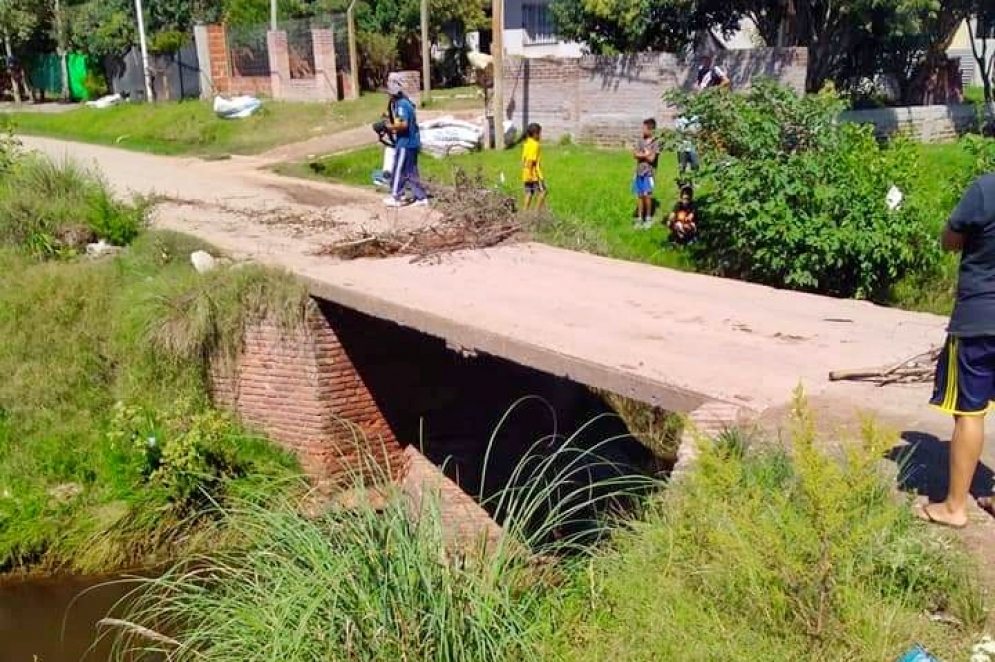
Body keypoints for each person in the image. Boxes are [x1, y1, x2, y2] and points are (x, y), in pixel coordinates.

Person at [918, 173, 995, 529]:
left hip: (980, 320)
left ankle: (954, 508)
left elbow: (949, 240)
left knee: (970, 412)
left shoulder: (985, 189)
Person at [384, 72, 429, 208]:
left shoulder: (402, 105)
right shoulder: (403, 102)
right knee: (411, 171)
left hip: (406, 143)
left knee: (399, 169)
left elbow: (402, 124)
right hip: (412, 142)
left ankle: (396, 196)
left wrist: (388, 127)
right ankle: (421, 197)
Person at [632, 118, 660, 229]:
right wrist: (645, 154)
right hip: (639, 172)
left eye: (644, 128)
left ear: (651, 129)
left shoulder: (655, 143)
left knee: (647, 195)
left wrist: (643, 154)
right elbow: (634, 154)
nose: (642, 130)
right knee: (639, 195)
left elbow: (652, 159)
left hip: (649, 173)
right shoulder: (640, 141)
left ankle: (648, 217)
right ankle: (639, 218)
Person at [521, 123, 546, 211]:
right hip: (534, 174)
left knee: (529, 193)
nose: (540, 135)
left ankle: (525, 213)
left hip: (525, 173)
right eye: (539, 133)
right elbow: (531, 160)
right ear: (535, 133)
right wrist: (531, 174)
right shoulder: (535, 145)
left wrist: (527, 172)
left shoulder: (527, 143)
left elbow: (523, 160)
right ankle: (536, 213)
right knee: (543, 191)